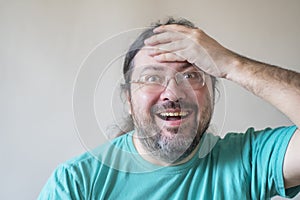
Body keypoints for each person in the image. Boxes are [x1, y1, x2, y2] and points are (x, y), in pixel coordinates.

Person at [38, 18, 300, 199]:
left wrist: (232, 64)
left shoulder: (248, 161)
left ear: (211, 94)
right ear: (128, 100)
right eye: (151, 78)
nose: (173, 94)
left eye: (190, 76)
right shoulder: (76, 183)